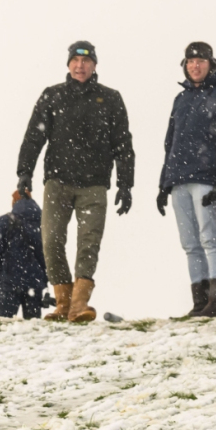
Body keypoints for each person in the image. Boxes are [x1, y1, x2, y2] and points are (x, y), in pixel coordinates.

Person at [16, 40, 135, 322]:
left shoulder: (110, 98)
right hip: (57, 181)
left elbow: (122, 144)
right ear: (69, 64)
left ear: (94, 65)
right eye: (75, 61)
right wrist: (24, 172)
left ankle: (79, 305)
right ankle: (63, 303)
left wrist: (125, 184)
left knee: (89, 242)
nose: (80, 66)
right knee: (51, 240)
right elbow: (34, 136)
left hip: (94, 184)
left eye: (86, 61)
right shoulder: (52, 96)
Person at [157, 42, 216, 318]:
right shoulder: (181, 99)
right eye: (190, 61)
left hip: (208, 177)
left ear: (211, 64)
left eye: (200, 61)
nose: (195, 66)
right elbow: (170, 143)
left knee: (210, 238)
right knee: (190, 243)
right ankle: (200, 303)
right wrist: (163, 184)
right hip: (179, 179)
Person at [0, 191, 47, 319]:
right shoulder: (44, 223)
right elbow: (49, 252)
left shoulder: (5, 220)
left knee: (4, 323)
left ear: (14, 202)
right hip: (34, 281)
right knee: (33, 324)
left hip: (9, 280)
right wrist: (44, 278)